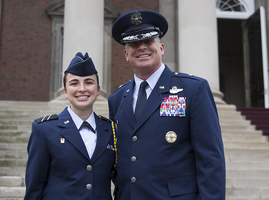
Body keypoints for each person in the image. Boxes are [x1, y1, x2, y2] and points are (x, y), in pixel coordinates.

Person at [108, 9, 226, 200]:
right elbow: (119, 159)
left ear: (161, 48)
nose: (142, 48)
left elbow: (210, 160)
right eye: (134, 44)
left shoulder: (192, 90)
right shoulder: (117, 98)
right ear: (126, 54)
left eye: (148, 41)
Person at [24, 52, 117, 200]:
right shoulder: (45, 130)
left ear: (98, 90)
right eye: (74, 83)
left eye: (89, 82)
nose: (82, 89)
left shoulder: (111, 130)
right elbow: (34, 188)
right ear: (65, 92)